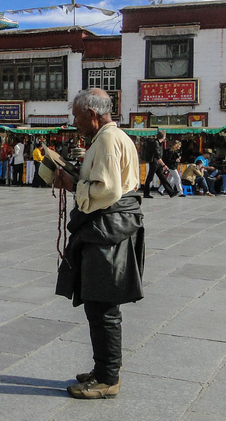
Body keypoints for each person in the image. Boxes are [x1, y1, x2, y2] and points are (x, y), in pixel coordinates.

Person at [52, 88, 144, 400]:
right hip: (112, 227)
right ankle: (104, 369)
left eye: (77, 117)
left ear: (92, 114)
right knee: (101, 305)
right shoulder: (114, 137)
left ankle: (107, 378)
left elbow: (107, 191)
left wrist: (72, 184)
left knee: (102, 306)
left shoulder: (106, 140)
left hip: (108, 229)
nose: (74, 122)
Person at [143, 130, 177, 198]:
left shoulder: (159, 143)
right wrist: (164, 165)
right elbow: (157, 155)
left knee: (163, 178)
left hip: (158, 163)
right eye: (165, 136)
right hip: (154, 163)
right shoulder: (155, 143)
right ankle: (146, 193)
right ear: (163, 136)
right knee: (150, 178)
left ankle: (171, 192)